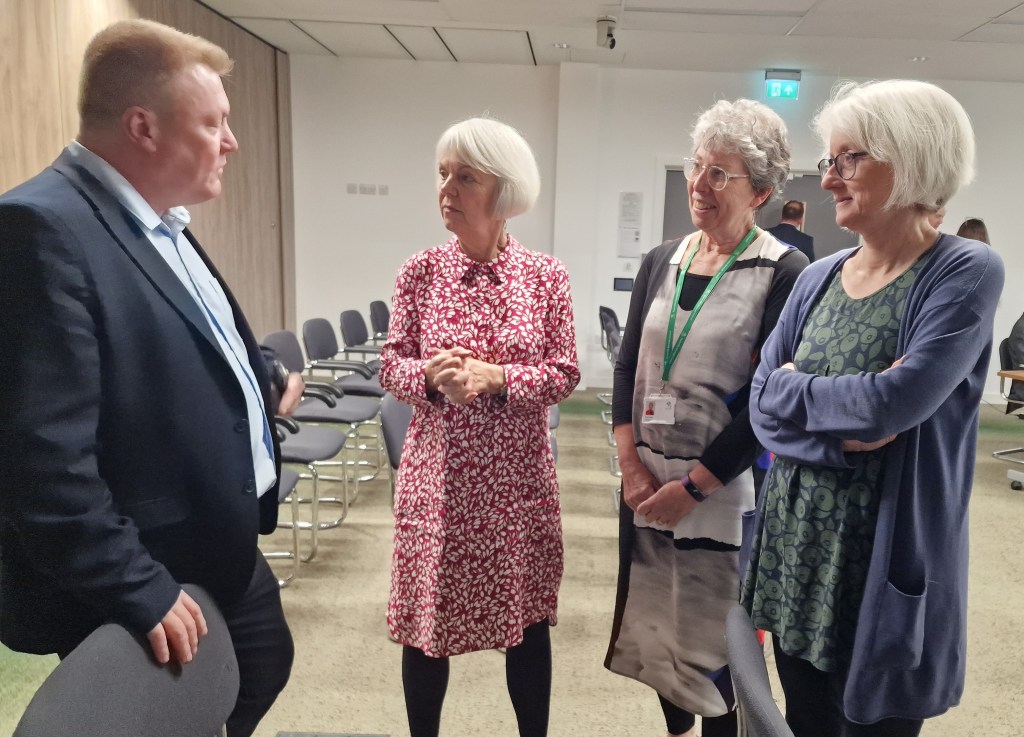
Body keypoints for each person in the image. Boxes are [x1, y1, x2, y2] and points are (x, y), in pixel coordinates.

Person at [0, 20, 302, 737]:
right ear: (143, 126)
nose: (231, 142)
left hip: (214, 538)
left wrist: (258, 376)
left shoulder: (156, 215)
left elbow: (172, 335)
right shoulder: (40, 229)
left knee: (260, 663)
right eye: (214, 123)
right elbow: (42, 459)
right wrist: (136, 586)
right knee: (166, 712)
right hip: (142, 563)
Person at [743, 79, 1004, 737]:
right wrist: (836, 433)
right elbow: (760, 400)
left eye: (848, 158)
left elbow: (891, 405)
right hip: (797, 559)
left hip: (877, 573)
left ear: (911, 158)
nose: (829, 178)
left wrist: (801, 391)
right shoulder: (816, 277)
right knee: (803, 721)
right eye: (829, 160)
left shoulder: (964, 271)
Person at [604, 99, 808, 737]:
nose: (699, 184)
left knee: (716, 645)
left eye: (721, 174)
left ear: (763, 191)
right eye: (698, 166)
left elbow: (765, 403)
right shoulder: (660, 259)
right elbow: (625, 369)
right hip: (645, 484)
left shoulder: (783, 271)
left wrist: (693, 486)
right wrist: (631, 467)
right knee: (657, 629)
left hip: (721, 493)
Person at [379, 117, 580, 737]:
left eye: (465, 176)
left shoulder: (545, 276)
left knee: (524, 626)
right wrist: (427, 376)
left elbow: (566, 371)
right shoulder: (420, 271)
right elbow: (391, 363)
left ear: (503, 190)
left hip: (515, 487)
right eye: (443, 173)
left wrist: (500, 379)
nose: (447, 188)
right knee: (426, 628)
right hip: (438, 485)